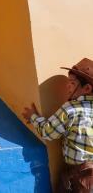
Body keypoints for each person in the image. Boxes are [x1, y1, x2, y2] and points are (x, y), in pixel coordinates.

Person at [22, 58, 93, 193]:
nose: (67, 86)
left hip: (80, 177)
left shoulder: (71, 109)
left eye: (72, 83)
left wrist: (33, 117)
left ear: (87, 88)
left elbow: (48, 132)